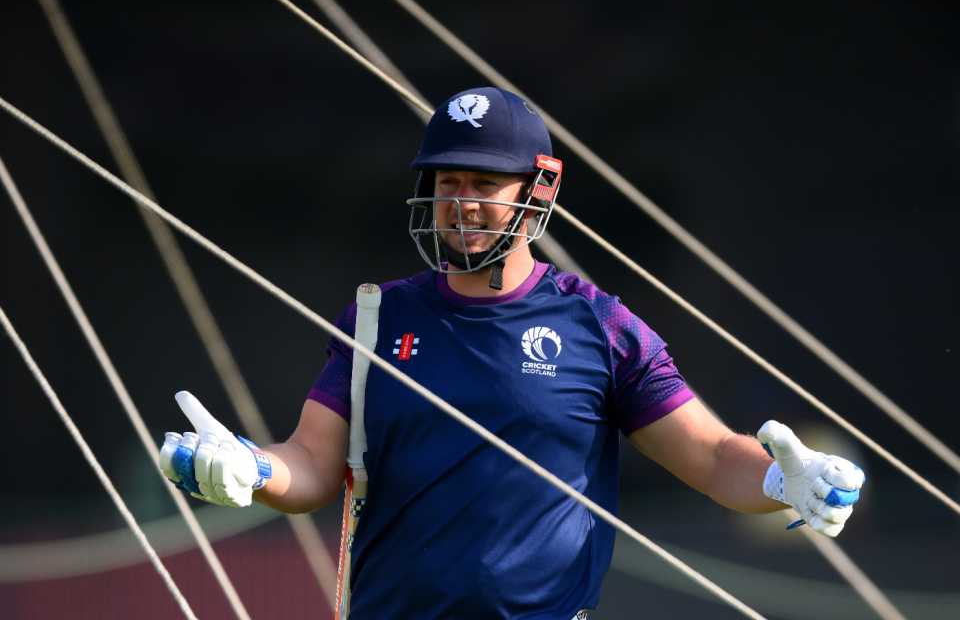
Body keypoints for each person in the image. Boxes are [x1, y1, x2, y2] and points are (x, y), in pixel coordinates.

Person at [159, 87, 865, 619]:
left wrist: (781, 482)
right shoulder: (379, 316)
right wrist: (249, 469)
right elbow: (311, 465)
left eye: (483, 183)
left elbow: (710, 456)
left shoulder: (601, 326)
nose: (461, 203)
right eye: (447, 182)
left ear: (538, 189)